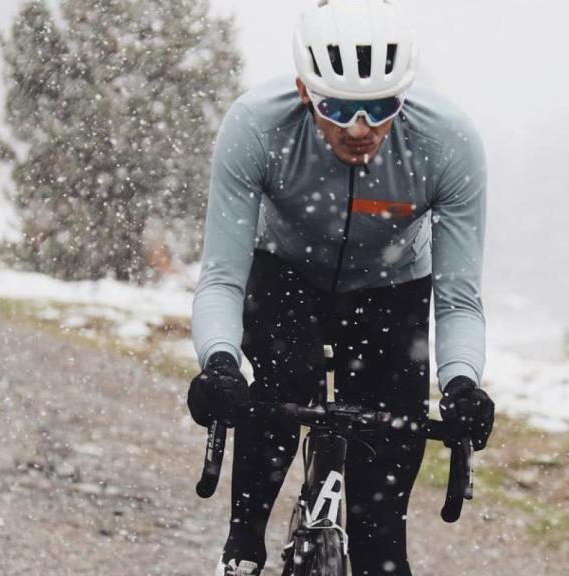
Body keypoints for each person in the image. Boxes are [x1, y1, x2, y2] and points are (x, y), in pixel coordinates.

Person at [187, 1, 495, 574]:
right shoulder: (255, 126)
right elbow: (223, 277)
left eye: (380, 109)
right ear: (305, 92)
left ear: (403, 95)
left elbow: (458, 300)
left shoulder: (448, 142)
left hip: (389, 292)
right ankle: (243, 549)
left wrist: (461, 385)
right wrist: (220, 363)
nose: (360, 129)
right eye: (338, 108)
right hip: (286, 277)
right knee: (281, 382)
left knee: (382, 549)